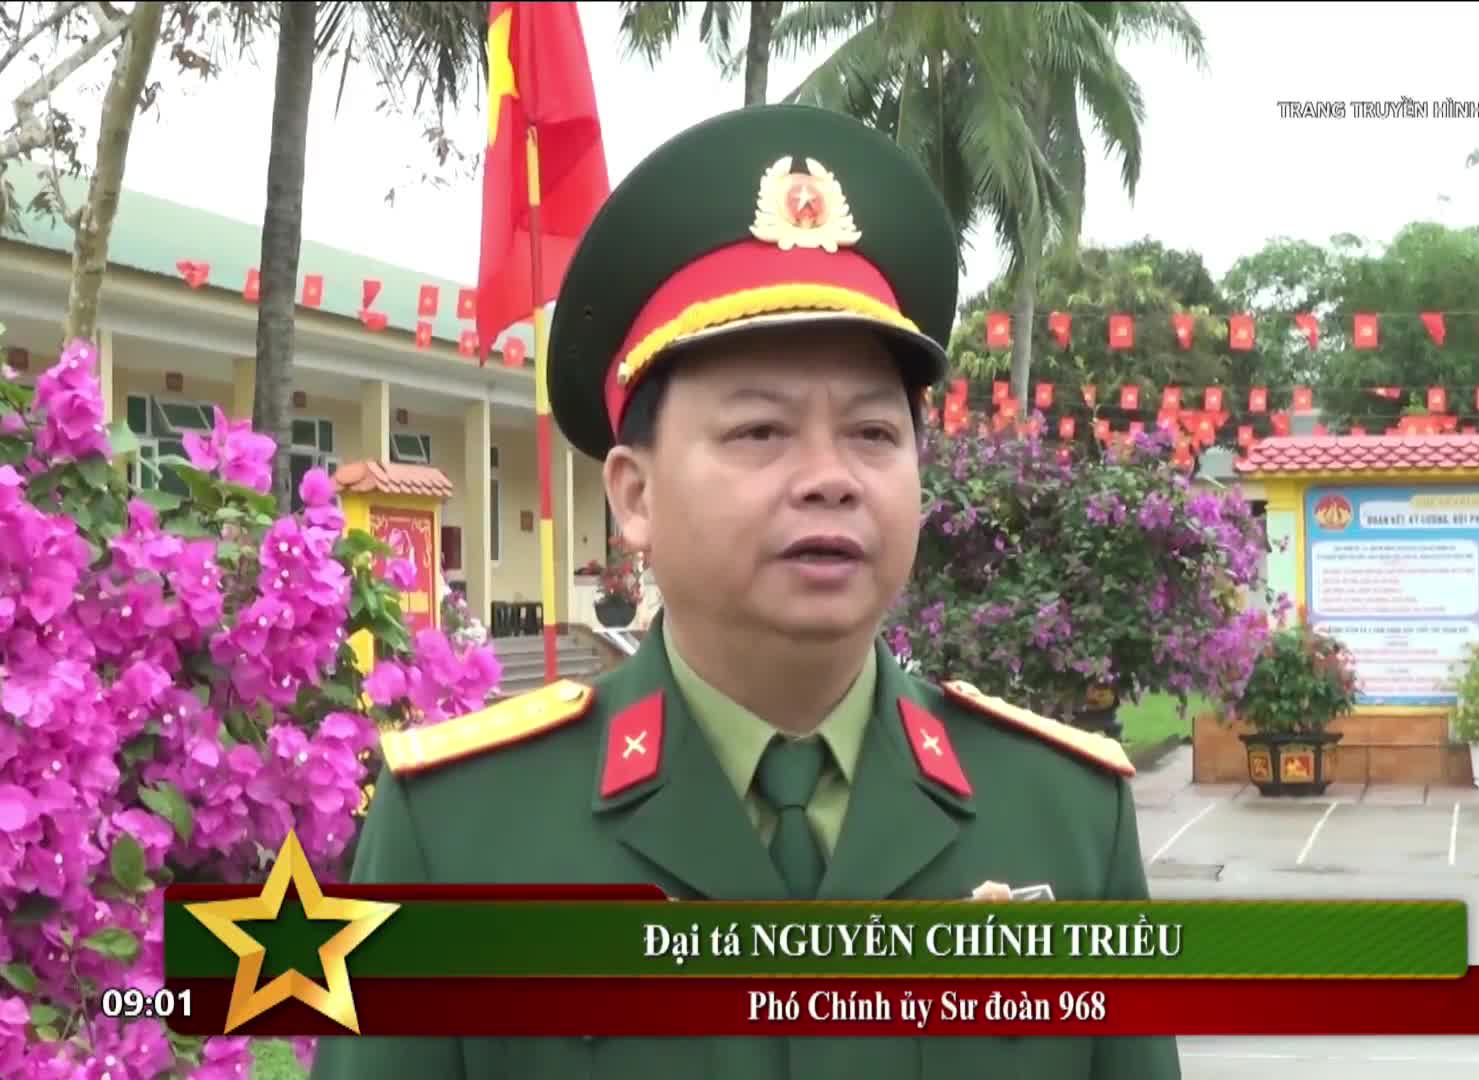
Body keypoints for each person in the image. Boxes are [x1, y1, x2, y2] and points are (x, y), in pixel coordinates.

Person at [311, 104, 1180, 1080]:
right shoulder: (461, 829)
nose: (831, 476)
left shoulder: (1063, 815)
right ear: (634, 498)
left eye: (873, 433)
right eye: (761, 432)